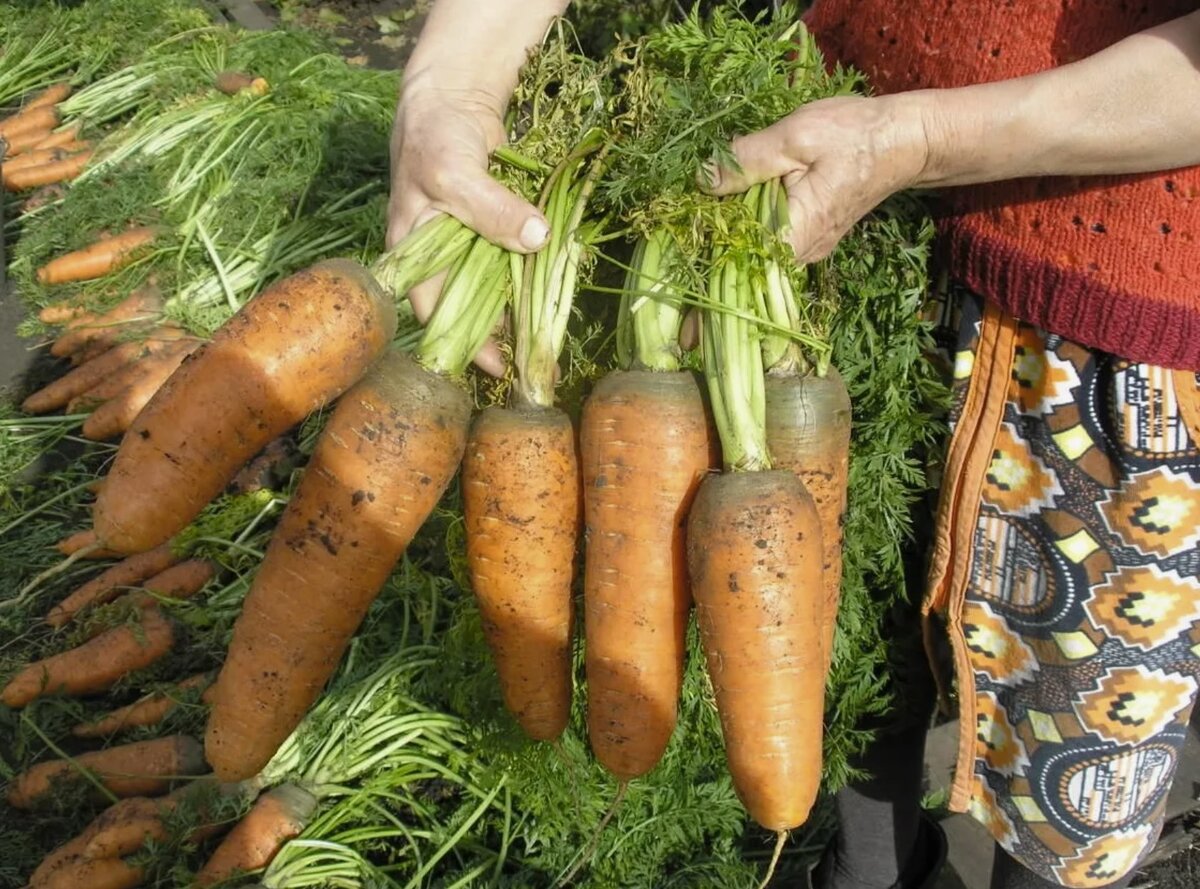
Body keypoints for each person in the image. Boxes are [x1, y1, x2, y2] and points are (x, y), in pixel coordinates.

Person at [387, 3, 1200, 888]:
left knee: (1067, 747)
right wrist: (451, 81)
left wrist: (923, 139)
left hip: (1110, 332)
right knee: (844, 666)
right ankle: (866, 868)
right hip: (837, 220)